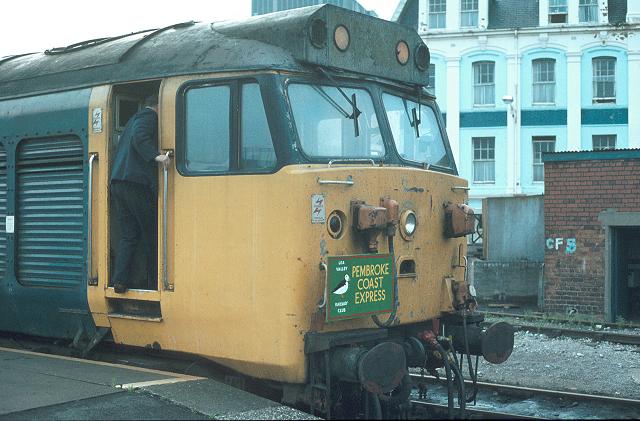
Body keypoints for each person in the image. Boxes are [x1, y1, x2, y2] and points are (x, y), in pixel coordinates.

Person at [110, 94, 169, 293]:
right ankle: (154, 282)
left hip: (119, 183)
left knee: (129, 235)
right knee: (153, 232)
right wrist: (156, 156)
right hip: (136, 184)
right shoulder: (149, 116)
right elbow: (140, 136)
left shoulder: (132, 120)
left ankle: (120, 281)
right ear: (159, 106)